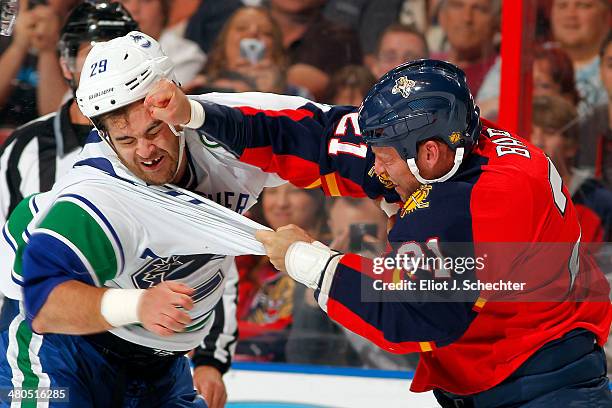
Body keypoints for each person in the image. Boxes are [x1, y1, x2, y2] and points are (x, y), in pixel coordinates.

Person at [160, 59, 612, 406]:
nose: (375, 168)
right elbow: (320, 139)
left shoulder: (481, 202)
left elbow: (416, 315)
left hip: (546, 386)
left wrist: (307, 261)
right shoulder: (447, 143)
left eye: (385, 158)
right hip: (498, 376)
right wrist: (198, 114)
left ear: (429, 153)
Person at [0, 31, 286, 407]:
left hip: (160, 363)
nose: (147, 152)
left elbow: (324, 138)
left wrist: (384, 181)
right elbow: (45, 306)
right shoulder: (98, 194)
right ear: (105, 136)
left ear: (172, 103)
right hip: (62, 345)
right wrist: (136, 305)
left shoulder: (227, 132)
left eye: (153, 130)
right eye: (127, 141)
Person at [0, 1, 137, 227]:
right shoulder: (24, 146)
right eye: (93, 59)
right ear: (66, 66)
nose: (105, 72)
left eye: (121, 57)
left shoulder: (156, 138)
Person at [531, 95, 612, 244]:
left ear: (572, 147)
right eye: (530, 131)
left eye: (549, 132)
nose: (537, 141)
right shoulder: (510, 196)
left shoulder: (600, 204)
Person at [0, 0, 79, 127]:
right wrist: (19, 46)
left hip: (49, 138)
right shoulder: (4, 23)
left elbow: (59, 116)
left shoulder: (82, 32)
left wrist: (47, 49)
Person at [116, 0, 206, 84]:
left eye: (146, 0)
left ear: (164, 8)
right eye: (125, 0)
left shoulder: (186, 55)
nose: (133, 9)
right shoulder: (102, 48)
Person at [550, 0, 611, 116]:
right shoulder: (533, 61)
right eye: (562, 6)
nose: (570, 15)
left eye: (583, 6)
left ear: (606, 15)